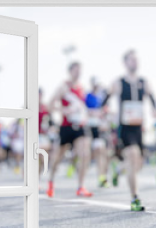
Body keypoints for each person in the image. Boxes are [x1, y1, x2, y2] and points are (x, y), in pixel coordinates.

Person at [102, 49, 156, 211]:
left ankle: (118, 169)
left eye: (136, 60)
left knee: (137, 163)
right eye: (131, 60)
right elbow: (105, 98)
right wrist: (102, 110)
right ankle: (135, 198)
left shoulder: (144, 82)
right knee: (133, 156)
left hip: (139, 127)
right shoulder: (118, 82)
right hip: (124, 126)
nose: (135, 62)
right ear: (125, 63)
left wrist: (155, 110)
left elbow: (152, 98)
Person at [46, 62, 93, 198]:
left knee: (85, 154)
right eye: (76, 70)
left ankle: (81, 186)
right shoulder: (63, 87)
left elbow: (83, 108)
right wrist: (63, 110)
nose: (78, 73)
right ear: (70, 71)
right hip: (66, 127)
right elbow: (49, 105)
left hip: (81, 126)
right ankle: (51, 181)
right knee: (57, 158)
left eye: (80, 70)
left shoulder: (81, 88)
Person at [85, 77, 110, 188]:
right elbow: (85, 111)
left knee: (103, 152)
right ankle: (99, 176)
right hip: (91, 128)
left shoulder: (102, 97)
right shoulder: (88, 96)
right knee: (93, 153)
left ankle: (102, 177)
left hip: (101, 128)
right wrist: (95, 113)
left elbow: (106, 111)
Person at [38, 88, 53, 180]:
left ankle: (38, 176)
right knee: (38, 155)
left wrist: (52, 128)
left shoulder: (45, 108)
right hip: (33, 135)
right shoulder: (29, 106)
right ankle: (34, 178)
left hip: (44, 135)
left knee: (43, 156)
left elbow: (51, 121)